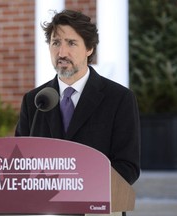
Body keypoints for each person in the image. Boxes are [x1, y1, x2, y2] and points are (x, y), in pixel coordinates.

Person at [15, 10, 140, 215]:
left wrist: (79, 189)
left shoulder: (119, 98)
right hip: (45, 210)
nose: (62, 52)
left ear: (89, 48)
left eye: (71, 43)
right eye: (56, 43)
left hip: (97, 209)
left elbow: (128, 166)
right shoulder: (34, 100)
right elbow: (20, 165)